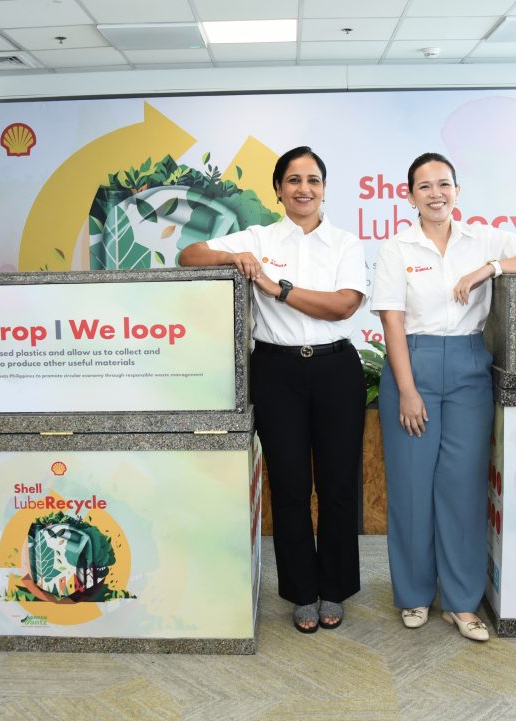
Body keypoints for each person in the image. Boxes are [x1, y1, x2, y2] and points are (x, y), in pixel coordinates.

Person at [179, 146, 365, 634]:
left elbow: (343, 306)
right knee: (288, 487)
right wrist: (233, 254)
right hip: (277, 371)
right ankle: (302, 592)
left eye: (314, 180)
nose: (304, 188)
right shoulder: (259, 237)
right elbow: (188, 255)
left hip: (336, 370)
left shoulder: (346, 242)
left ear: (324, 188)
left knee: (339, 485)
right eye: (294, 180)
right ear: (279, 189)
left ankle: (335, 589)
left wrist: (276, 287)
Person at [372, 152, 516, 641]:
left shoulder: (485, 239)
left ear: (457, 191)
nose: (436, 194)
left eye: (444, 184)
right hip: (413, 363)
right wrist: (407, 390)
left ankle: (460, 601)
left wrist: (489, 269)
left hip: (471, 366)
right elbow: (391, 319)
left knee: (463, 488)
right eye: (425, 186)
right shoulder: (396, 247)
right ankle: (413, 594)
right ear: (409, 196)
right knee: (412, 488)